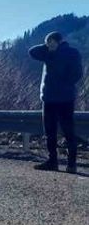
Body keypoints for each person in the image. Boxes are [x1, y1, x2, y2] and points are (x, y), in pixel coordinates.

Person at [29, 31, 84, 173]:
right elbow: (32, 52)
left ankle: (72, 164)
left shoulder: (71, 52)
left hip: (65, 98)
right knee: (50, 132)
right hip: (49, 98)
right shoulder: (47, 53)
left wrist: (64, 84)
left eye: (52, 41)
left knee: (68, 132)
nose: (50, 44)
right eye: (48, 42)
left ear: (60, 41)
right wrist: (47, 46)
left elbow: (78, 73)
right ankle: (52, 161)